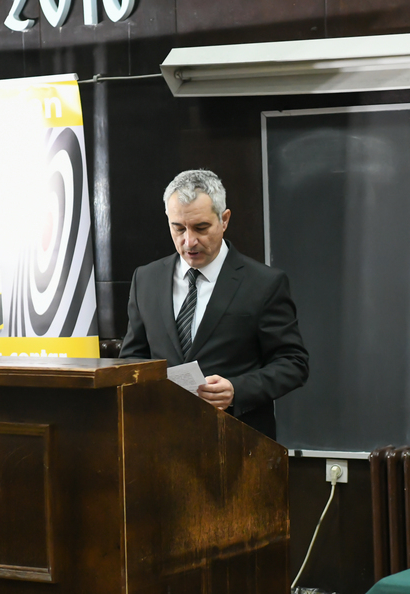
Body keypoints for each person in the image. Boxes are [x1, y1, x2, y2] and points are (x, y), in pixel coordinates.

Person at [120, 169, 309, 441]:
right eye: (178, 228)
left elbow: (293, 363)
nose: (189, 241)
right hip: (161, 438)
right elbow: (132, 359)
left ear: (224, 220)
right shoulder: (146, 279)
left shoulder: (264, 283)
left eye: (201, 228)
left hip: (238, 440)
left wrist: (236, 389)